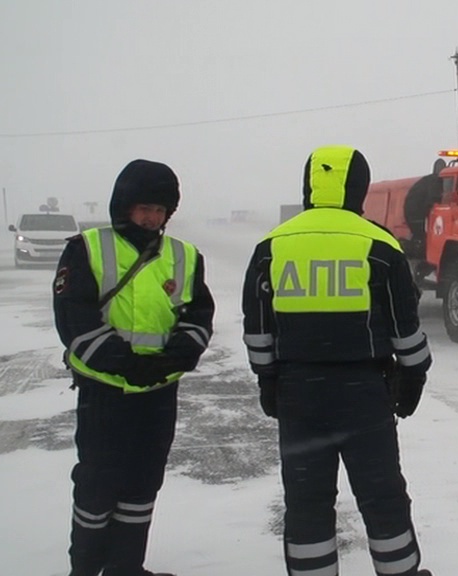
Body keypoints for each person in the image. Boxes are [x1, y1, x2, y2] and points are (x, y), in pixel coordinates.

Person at [242, 145, 433, 576]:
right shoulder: (380, 245)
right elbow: (405, 328)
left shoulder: (272, 245)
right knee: (382, 495)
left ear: (309, 185)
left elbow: (258, 326)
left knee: (307, 499)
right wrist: (414, 374)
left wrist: (267, 378)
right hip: (364, 394)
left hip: (298, 394)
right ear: (359, 188)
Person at [53, 159, 215, 576]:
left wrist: (180, 354)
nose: (152, 217)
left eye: (160, 211)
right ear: (123, 206)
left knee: (143, 485)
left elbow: (198, 314)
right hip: (105, 391)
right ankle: (86, 568)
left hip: (159, 392)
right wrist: (125, 365)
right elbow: (75, 320)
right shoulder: (86, 247)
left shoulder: (185, 255)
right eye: (144, 207)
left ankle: (126, 567)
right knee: (97, 485)